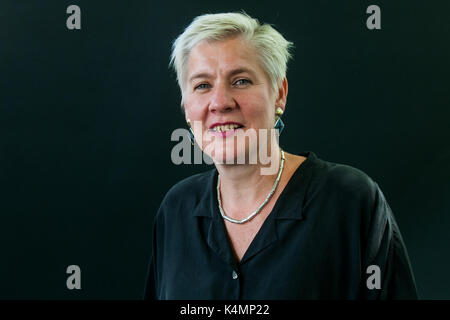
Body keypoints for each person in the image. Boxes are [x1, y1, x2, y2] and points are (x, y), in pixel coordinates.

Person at [144, 12, 418, 299]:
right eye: (202, 85)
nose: (220, 102)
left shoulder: (348, 200)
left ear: (279, 94)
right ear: (186, 107)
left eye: (241, 81)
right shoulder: (176, 209)